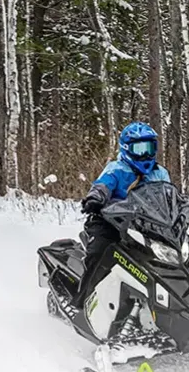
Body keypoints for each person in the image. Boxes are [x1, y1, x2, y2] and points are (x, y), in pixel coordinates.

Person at [70, 122, 171, 309]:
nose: (145, 154)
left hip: (146, 226)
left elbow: (169, 195)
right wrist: (95, 198)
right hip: (110, 223)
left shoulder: (160, 173)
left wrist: (177, 209)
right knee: (100, 252)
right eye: (139, 149)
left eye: (149, 148)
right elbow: (103, 185)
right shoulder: (116, 169)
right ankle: (82, 300)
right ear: (127, 148)